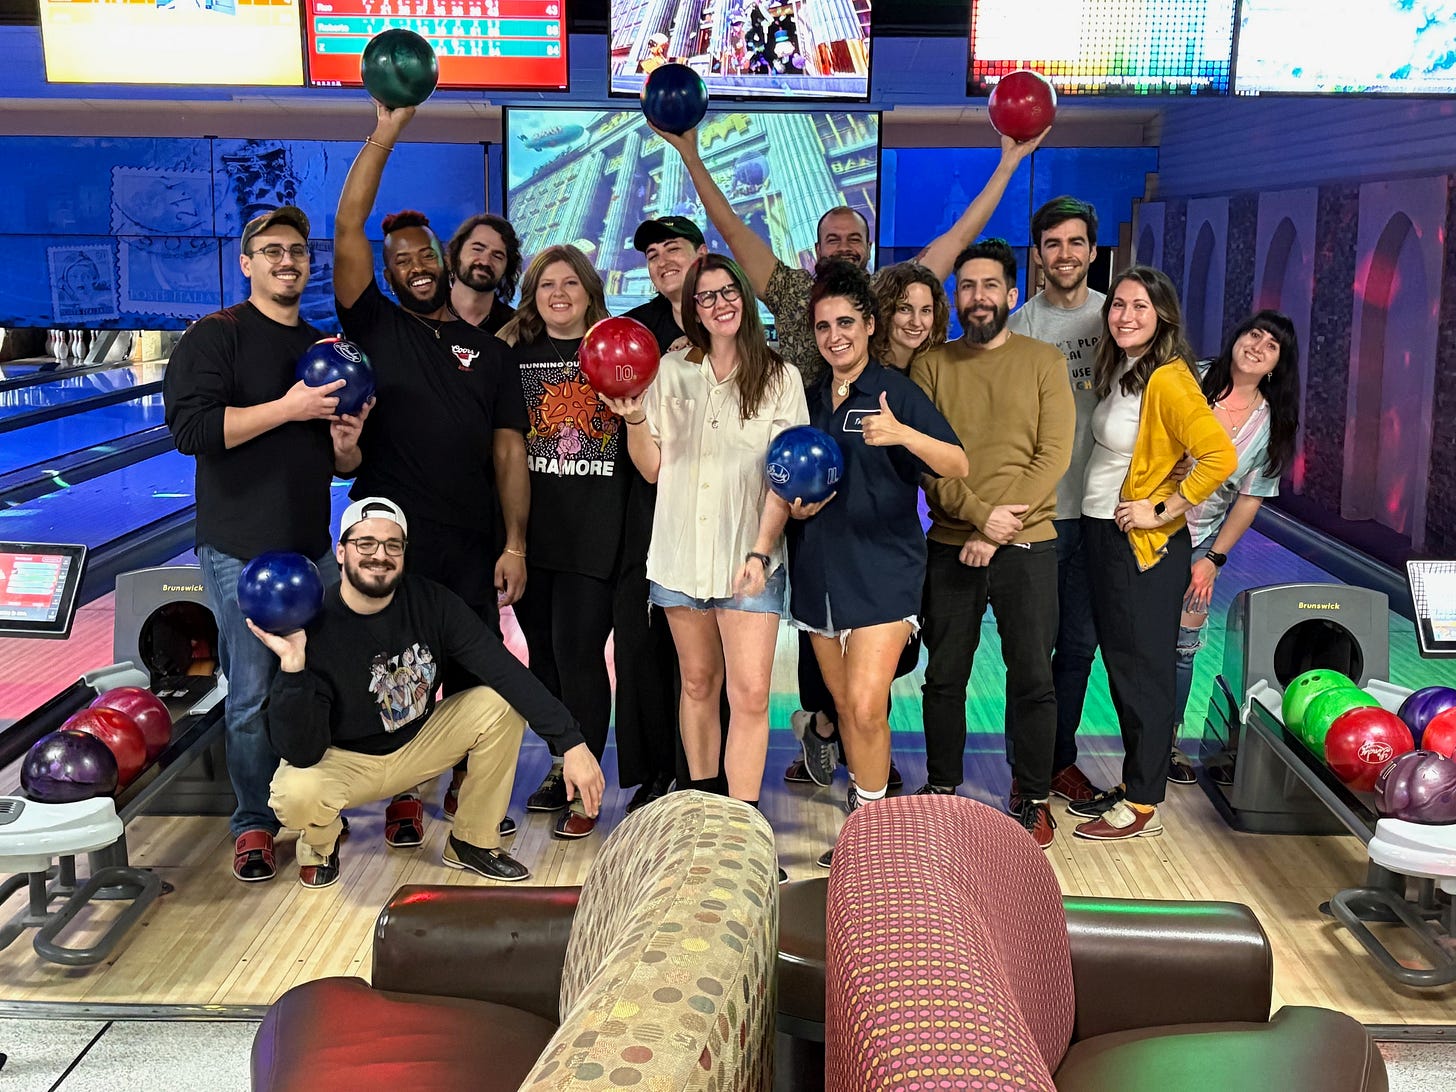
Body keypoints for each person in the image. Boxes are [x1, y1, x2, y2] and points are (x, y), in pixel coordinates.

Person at [653, 123, 1044, 786]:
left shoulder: (886, 306)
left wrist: (1008, 164)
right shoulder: (789, 303)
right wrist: (688, 152)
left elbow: (950, 245)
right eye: (832, 238)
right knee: (835, 693)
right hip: (808, 536)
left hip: (877, 526)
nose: (842, 247)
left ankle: (867, 783)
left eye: (853, 239)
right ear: (815, 251)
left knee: (866, 698)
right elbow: (733, 233)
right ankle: (836, 748)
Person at [164, 206, 365, 883]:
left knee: (311, 684)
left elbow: (338, 462)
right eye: (272, 250)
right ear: (246, 262)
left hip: (308, 545)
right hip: (238, 548)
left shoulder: (322, 347)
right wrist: (291, 407)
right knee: (250, 692)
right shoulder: (213, 338)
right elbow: (193, 431)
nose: (288, 261)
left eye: (298, 252)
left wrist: (344, 445)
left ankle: (313, 811)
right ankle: (252, 820)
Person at [256, 498, 604, 887]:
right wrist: (293, 667)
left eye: (392, 545)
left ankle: (472, 841)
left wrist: (571, 742)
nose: (379, 556)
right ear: (341, 551)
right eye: (365, 544)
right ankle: (321, 843)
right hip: (347, 762)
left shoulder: (431, 602)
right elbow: (300, 751)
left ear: (404, 554)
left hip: (417, 747)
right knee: (293, 792)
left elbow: (503, 670)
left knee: (499, 703)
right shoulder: (313, 625)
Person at [605, 254, 807, 829]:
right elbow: (650, 470)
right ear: (692, 308)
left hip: (750, 562)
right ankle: (702, 815)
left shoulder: (779, 376)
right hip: (677, 559)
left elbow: (783, 475)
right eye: (706, 296)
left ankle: (741, 827)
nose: (720, 304)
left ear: (744, 297)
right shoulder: (671, 372)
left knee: (748, 696)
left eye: (728, 292)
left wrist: (761, 552)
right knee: (696, 684)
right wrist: (632, 419)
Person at [792, 261, 967, 868]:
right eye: (823, 326)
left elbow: (956, 463)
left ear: (869, 325)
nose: (834, 335)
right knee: (845, 713)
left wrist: (902, 436)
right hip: (820, 573)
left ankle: (869, 834)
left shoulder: (895, 393)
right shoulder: (807, 395)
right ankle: (864, 813)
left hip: (886, 571)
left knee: (867, 705)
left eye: (846, 322)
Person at [333, 103, 529, 645]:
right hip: (393, 541)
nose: (416, 266)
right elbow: (348, 224)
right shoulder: (376, 324)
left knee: (474, 684)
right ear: (387, 273)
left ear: (445, 260)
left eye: (425, 255)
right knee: (394, 685)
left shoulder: (492, 353)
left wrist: (515, 544)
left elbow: (510, 452)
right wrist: (386, 130)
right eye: (401, 261)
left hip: (471, 544)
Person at [911, 241, 1074, 848]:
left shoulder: (1043, 362)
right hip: (953, 542)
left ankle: (1031, 795)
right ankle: (942, 786)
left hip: (1028, 544)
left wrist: (998, 527)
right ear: (957, 298)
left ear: (1011, 295)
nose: (977, 297)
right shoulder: (932, 367)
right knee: (944, 676)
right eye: (967, 287)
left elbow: (1052, 454)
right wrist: (979, 521)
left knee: (1032, 676)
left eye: (989, 286)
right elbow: (926, 462)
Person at [1069, 267, 1236, 841]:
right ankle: (1138, 782)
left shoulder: (1169, 378)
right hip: (1101, 535)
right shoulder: (1124, 370)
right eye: (1117, 305)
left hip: (1140, 547)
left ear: (1162, 315)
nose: (1125, 316)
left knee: (1143, 673)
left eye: (1140, 307)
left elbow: (1218, 456)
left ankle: (1144, 803)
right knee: (1124, 669)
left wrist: (1162, 510)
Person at [497, 246, 623, 839]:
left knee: (579, 654)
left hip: (594, 533)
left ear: (589, 289)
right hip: (530, 535)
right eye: (547, 284)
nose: (559, 293)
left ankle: (586, 782)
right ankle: (560, 762)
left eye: (570, 282)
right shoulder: (511, 352)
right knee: (542, 654)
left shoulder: (616, 347)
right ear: (533, 293)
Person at [1005, 195, 1106, 806]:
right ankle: (1027, 771)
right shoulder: (1022, 325)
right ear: (1038, 256)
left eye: (1075, 243)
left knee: (1077, 648)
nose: (1064, 254)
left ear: (1093, 251)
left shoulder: (1119, 317)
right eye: (1052, 244)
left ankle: (1060, 759)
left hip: (1098, 516)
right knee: (1032, 655)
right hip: (1040, 517)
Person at [1171, 310, 1300, 780]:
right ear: (1237, 337)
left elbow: (1248, 501)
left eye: (1272, 346)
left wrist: (1212, 560)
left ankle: (1164, 745)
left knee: (1183, 646)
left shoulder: (1270, 423)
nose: (1258, 346)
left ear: (1276, 365)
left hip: (1199, 539)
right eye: (1254, 335)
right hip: (1139, 525)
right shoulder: (1191, 379)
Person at [613, 217, 711, 813]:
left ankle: (701, 775)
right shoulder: (634, 329)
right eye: (652, 254)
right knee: (642, 645)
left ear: (702, 255)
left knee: (704, 659)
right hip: (647, 506)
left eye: (673, 248)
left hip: (711, 508)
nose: (662, 260)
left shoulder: (729, 321)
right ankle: (651, 774)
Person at [446, 213, 521, 335]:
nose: (485, 261)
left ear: (506, 268)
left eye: (497, 256)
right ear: (457, 252)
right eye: (477, 249)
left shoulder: (515, 329)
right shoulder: (426, 314)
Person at [870, 261, 950, 373]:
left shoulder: (938, 368)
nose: (916, 322)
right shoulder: (861, 368)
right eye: (905, 309)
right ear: (884, 311)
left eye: (925, 310)